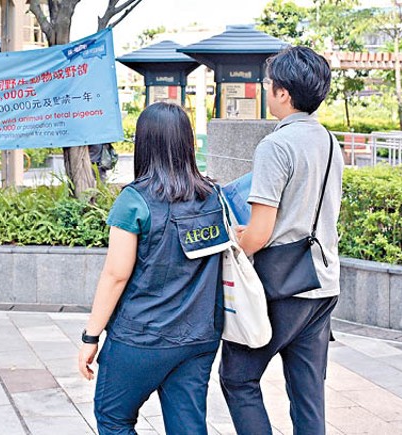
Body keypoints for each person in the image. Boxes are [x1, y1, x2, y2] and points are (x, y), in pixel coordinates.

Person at [78, 102, 224, 435]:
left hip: (141, 337)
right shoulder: (213, 196)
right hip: (198, 336)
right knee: (187, 427)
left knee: (114, 418)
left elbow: (116, 275)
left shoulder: (135, 200)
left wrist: (90, 336)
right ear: (187, 143)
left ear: (144, 144)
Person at [219, 46, 344, 434]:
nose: (266, 88)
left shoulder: (276, 145)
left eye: (269, 83)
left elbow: (258, 234)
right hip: (323, 284)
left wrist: (236, 237)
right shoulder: (328, 141)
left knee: (237, 378)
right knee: (308, 394)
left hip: (283, 285)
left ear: (284, 94)